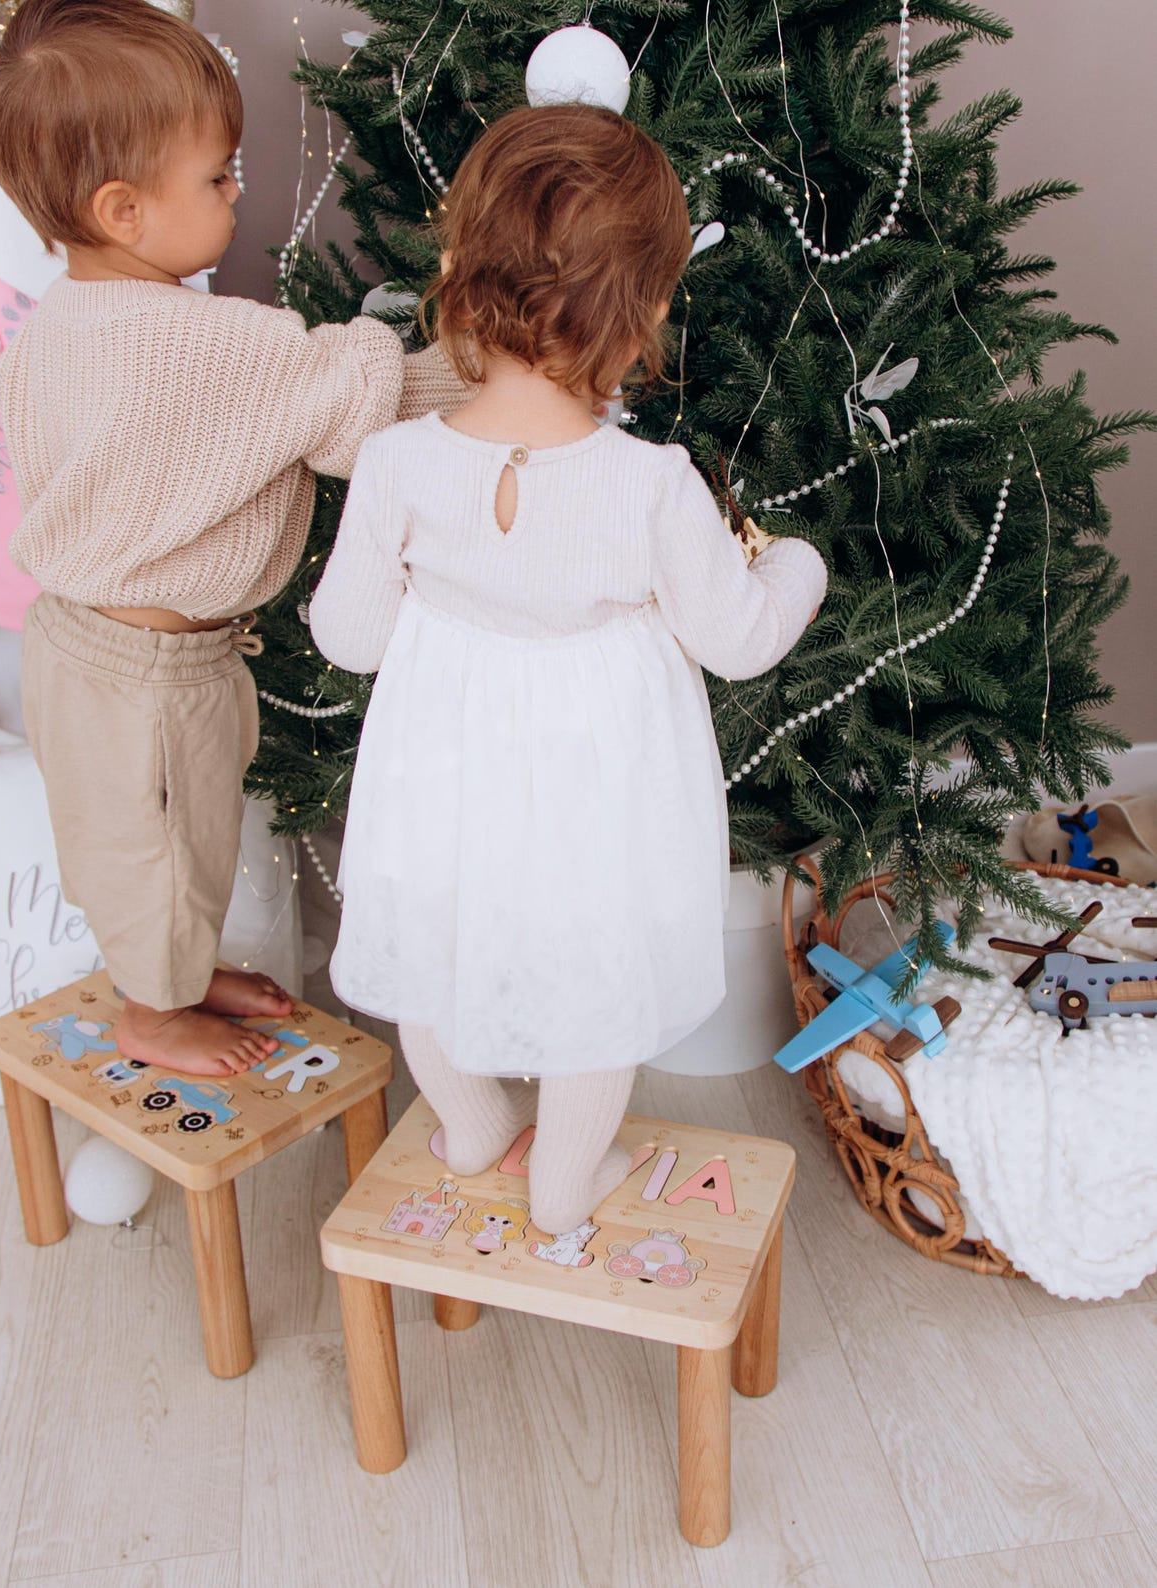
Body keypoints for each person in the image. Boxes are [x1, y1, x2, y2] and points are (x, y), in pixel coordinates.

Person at [309, 105, 827, 1234]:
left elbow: (347, 636)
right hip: (599, 782)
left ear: (457, 273)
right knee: (591, 976)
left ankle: (478, 1123)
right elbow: (737, 637)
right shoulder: (651, 483)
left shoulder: (395, 462)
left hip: (442, 772)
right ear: (640, 309)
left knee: (435, 949)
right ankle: (563, 1179)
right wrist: (799, 565)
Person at [0, 0, 468, 1076]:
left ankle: (175, 977)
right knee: (160, 851)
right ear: (123, 209)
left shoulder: (51, 325)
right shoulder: (207, 345)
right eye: (216, 178)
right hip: (144, 673)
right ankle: (151, 1012)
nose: (237, 195)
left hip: (90, 647)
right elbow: (364, 395)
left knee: (154, 846)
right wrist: (494, 373)